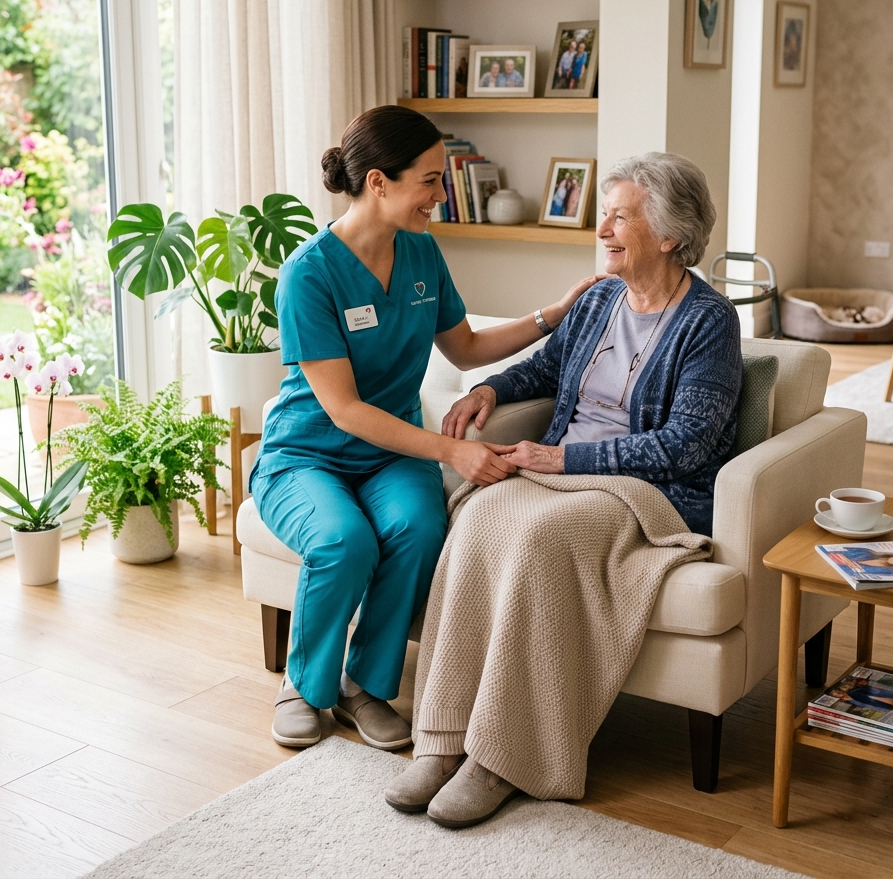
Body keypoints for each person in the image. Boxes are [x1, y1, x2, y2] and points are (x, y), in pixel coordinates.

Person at [384, 151, 743, 827]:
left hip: (642, 487)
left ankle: (503, 757)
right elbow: (546, 367)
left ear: (670, 236)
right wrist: (491, 387)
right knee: (479, 518)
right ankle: (443, 737)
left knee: (543, 537)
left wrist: (561, 456)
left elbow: (684, 445)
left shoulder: (709, 322)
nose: (603, 230)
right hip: (554, 465)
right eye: (602, 216)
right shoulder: (601, 298)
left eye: (620, 218)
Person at [252, 105, 603, 751]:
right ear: (379, 182)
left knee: (418, 528)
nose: (440, 198)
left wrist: (550, 316)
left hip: (388, 459)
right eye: (431, 181)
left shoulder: (420, 253)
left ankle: (364, 686)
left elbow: (465, 347)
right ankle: (304, 685)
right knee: (342, 541)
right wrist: (452, 451)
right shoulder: (309, 274)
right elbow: (346, 411)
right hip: (308, 456)